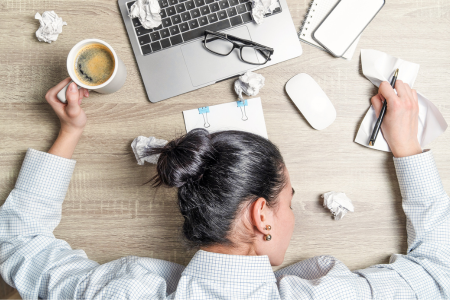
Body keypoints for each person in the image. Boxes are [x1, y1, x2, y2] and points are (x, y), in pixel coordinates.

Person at [0, 77, 448, 299]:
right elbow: (438, 272)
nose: (292, 214)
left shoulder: (122, 292)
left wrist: (69, 132)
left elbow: (17, 244)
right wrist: (406, 144)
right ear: (261, 216)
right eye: (288, 202)